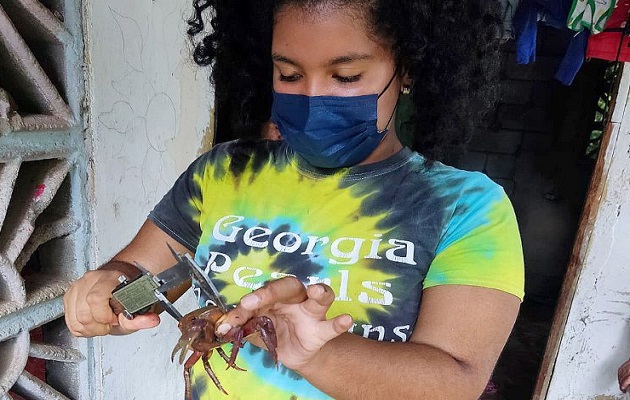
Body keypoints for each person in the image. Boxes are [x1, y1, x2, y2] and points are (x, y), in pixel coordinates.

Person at [63, 0, 525, 399]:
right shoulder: (224, 171)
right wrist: (107, 292)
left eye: (346, 75)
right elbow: (145, 274)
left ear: (404, 69)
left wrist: (318, 355)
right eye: (288, 73)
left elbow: (456, 382)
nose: (313, 96)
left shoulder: (466, 208)